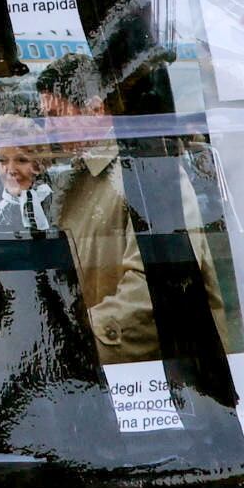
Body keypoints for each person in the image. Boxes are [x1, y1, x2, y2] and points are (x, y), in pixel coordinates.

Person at [33, 53, 160, 368]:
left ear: (95, 108)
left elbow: (154, 287)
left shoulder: (140, 173)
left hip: (143, 376)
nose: (48, 129)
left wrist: (75, 344)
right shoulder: (80, 176)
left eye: (55, 116)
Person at [0, 111, 56, 235]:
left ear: (38, 163)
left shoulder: (56, 200)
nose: (11, 170)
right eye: (2, 160)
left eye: (21, 160)